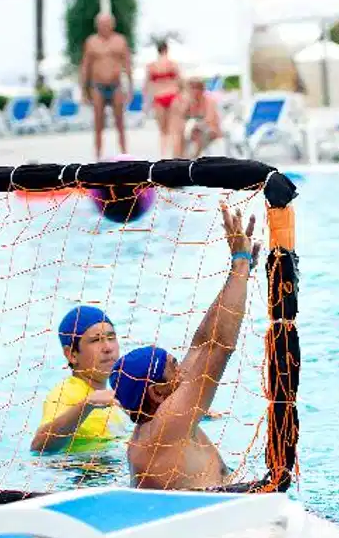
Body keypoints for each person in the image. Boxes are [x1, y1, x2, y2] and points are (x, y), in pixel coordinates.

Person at [110, 204, 258, 490]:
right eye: (173, 367)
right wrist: (240, 261)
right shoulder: (167, 423)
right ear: (156, 392)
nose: (183, 369)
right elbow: (220, 347)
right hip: (209, 513)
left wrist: (239, 273)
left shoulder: (158, 414)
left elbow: (202, 343)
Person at [31, 306, 130, 454]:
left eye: (111, 338)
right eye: (96, 340)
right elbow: (38, 446)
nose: (108, 348)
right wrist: (86, 405)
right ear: (71, 354)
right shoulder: (66, 393)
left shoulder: (113, 396)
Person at [81, 12, 132, 159]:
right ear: (97, 25)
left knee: (120, 122)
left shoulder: (120, 40)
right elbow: (85, 66)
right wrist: (84, 90)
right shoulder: (91, 42)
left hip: (116, 85)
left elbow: (127, 64)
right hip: (97, 86)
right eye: (101, 24)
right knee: (98, 122)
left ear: (112, 24)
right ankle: (98, 156)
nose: (104, 27)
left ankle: (125, 155)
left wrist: (130, 88)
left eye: (107, 24)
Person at [144, 41, 182, 158]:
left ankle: (163, 155)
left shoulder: (151, 66)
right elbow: (181, 82)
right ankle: (174, 156)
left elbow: (147, 86)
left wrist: (146, 104)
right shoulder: (172, 64)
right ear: (167, 49)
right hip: (172, 95)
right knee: (173, 129)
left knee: (162, 131)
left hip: (159, 96)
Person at [171, 78, 223, 158]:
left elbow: (210, 119)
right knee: (179, 134)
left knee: (197, 134)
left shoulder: (208, 101)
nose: (195, 91)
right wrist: (188, 104)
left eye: (197, 88)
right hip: (191, 130)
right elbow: (179, 117)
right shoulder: (186, 101)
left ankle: (193, 158)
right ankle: (178, 158)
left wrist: (197, 124)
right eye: (192, 88)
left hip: (209, 130)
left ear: (202, 89)